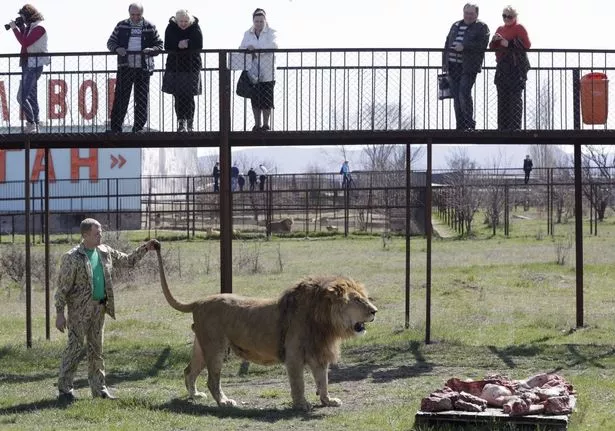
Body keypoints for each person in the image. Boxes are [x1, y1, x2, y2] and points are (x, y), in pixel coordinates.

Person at [54, 218, 158, 402]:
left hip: (99, 309)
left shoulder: (105, 252)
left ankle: (99, 389)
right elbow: (62, 288)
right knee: (74, 348)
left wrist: (145, 248)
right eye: (96, 233)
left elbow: (128, 261)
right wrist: (60, 314)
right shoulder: (72, 257)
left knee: (97, 351)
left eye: (100, 232)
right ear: (85, 235)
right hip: (79, 312)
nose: (100, 235)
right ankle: (64, 389)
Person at [107, 3, 163, 133]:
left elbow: (160, 45)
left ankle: (138, 128)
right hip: (125, 67)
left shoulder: (150, 26)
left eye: (138, 15)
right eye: (133, 14)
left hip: (143, 68)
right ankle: (116, 128)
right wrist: (117, 49)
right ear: (129, 13)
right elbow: (110, 42)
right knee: (121, 98)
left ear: (142, 14)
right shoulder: (121, 25)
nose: (135, 17)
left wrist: (152, 49)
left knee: (142, 99)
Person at [442, 3, 490, 131]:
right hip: (453, 66)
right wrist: (444, 63)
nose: (468, 16)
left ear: (476, 14)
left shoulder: (482, 27)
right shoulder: (456, 25)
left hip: (468, 66)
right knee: (456, 96)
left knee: (464, 92)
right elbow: (447, 43)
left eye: (471, 14)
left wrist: (464, 47)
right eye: (466, 13)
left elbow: (482, 44)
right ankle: (460, 126)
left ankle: (469, 124)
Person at [10, 4, 51, 134]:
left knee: (21, 97)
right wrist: (21, 28)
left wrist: (15, 29)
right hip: (28, 64)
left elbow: (25, 43)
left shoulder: (39, 28)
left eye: (23, 17)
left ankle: (31, 123)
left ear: (28, 16)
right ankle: (36, 124)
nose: (23, 20)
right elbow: (26, 41)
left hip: (34, 65)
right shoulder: (30, 28)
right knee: (31, 96)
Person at [489, 6, 531, 131]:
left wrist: (509, 43)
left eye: (509, 16)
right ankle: (502, 128)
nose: (506, 18)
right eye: (504, 16)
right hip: (502, 67)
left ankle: (515, 128)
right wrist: (495, 41)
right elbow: (492, 47)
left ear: (515, 17)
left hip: (516, 67)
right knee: (502, 98)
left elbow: (527, 45)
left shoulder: (519, 28)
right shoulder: (500, 29)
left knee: (515, 98)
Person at [162, 9, 203, 132]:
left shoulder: (195, 28)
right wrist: (178, 44)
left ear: (189, 20)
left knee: (189, 96)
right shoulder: (170, 28)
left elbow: (199, 45)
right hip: (175, 67)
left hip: (192, 67)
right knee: (178, 96)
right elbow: (167, 45)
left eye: (185, 21)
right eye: (181, 21)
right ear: (177, 20)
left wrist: (188, 44)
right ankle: (181, 123)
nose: (183, 24)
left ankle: (190, 123)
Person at [239, 8, 278, 131]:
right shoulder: (247, 33)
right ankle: (257, 124)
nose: (259, 23)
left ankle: (266, 125)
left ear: (265, 21)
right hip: (253, 72)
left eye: (261, 21)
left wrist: (255, 50)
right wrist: (248, 50)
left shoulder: (271, 32)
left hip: (267, 73)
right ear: (253, 21)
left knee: (267, 99)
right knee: (255, 99)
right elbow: (241, 47)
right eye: (257, 21)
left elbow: (273, 46)